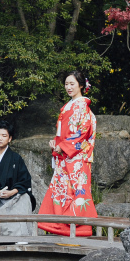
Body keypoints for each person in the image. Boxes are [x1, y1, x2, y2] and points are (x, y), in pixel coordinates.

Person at [38, 71, 97, 237]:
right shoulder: (68, 106)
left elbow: (83, 132)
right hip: (65, 156)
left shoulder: (82, 106)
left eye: (72, 84)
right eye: (66, 84)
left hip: (76, 158)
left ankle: (77, 232)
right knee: (62, 191)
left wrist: (62, 147)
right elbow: (62, 133)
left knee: (75, 192)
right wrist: (55, 144)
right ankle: (61, 231)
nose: (68, 87)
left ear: (80, 85)